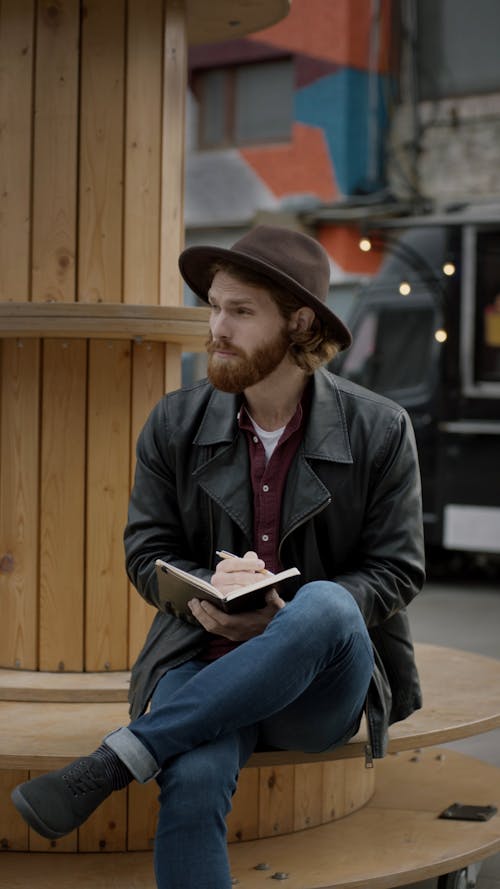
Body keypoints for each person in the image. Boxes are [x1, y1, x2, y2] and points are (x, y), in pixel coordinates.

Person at [12, 225, 425, 889]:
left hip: (318, 684)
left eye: (239, 311)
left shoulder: (379, 428)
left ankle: (115, 763)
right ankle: (141, 753)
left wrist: (282, 616)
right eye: (212, 306)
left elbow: (398, 569)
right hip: (201, 657)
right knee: (194, 782)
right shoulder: (174, 423)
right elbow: (146, 549)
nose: (216, 327)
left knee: (325, 602)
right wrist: (211, 584)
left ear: (298, 321)